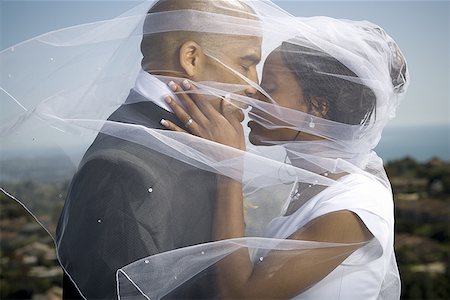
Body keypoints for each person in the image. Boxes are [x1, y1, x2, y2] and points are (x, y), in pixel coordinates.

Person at [160, 20, 408, 299]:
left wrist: (229, 165)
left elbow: (239, 295)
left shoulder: (358, 203)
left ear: (317, 107)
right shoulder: (306, 185)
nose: (252, 95)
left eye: (270, 88)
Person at [55, 0, 261, 299]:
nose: (254, 86)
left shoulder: (207, 140)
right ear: (191, 58)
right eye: (246, 64)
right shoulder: (121, 168)